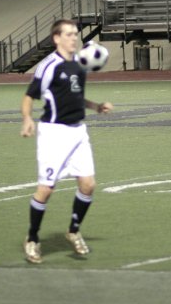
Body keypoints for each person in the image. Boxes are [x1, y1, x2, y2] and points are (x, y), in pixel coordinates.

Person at [20, 19, 113, 264]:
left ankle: (73, 230)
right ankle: (32, 239)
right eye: (69, 34)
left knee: (88, 185)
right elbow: (30, 96)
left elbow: (76, 97)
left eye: (75, 34)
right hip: (54, 133)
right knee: (46, 189)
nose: (74, 38)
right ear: (57, 38)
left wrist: (96, 106)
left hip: (78, 132)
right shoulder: (49, 65)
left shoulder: (79, 65)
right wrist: (28, 118)